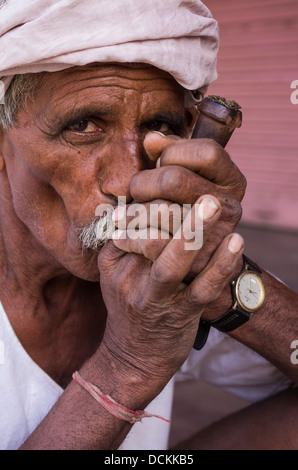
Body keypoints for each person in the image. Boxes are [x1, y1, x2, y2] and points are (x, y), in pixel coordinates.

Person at [0, 0, 297, 450]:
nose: (127, 181)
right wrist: (129, 363)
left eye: (159, 125)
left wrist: (216, 277)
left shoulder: (161, 290)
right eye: (82, 125)